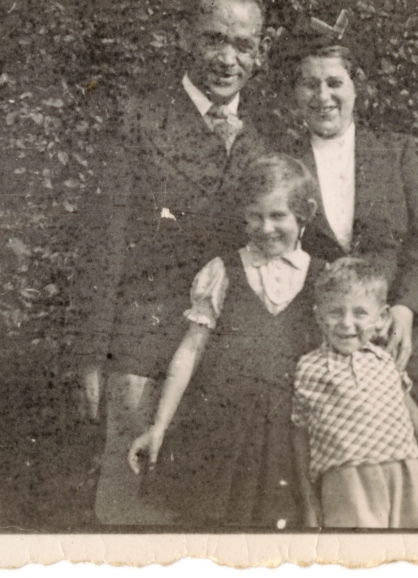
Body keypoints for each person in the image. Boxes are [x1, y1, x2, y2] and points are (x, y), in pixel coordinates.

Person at [67, 0, 273, 524]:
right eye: (214, 40)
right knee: (131, 500)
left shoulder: (266, 136)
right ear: (188, 39)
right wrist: (92, 353)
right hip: (142, 341)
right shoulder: (139, 119)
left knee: (210, 504)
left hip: (226, 349)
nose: (228, 59)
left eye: (243, 45)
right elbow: (103, 243)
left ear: (259, 53)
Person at [279, 18, 418, 528]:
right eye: (310, 83)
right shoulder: (283, 162)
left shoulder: (395, 151)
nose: (323, 95)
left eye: (334, 82)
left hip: (398, 328)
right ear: (294, 93)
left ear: (356, 89)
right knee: (341, 462)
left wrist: (406, 308)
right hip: (324, 337)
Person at [126, 154, 324, 528]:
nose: (265, 228)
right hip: (222, 432)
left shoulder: (323, 279)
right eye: (254, 216)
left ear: (305, 214)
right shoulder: (224, 271)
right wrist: (159, 426)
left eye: (278, 215)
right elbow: (190, 350)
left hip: (292, 436)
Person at [292, 257, 418, 528]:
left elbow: (406, 403)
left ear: (382, 317)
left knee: (411, 544)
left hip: (404, 467)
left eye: (360, 313)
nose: (346, 323)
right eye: (335, 312)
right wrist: (308, 498)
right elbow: (300, 430)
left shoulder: (385, 360)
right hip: (346, 474)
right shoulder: (309, 367)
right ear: (318, 316)